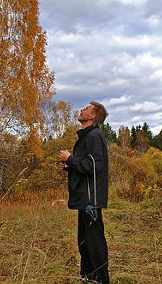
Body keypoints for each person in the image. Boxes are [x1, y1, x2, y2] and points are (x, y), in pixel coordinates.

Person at [59, 101, 109, 283]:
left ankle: (101, 280)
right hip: (85, 200)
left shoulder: (94, 136)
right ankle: (88, 279)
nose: (81, 110)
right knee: (84, 243)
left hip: (91, 201)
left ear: (92, 116)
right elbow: (86, 164)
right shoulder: (86, 137)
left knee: (95, 245)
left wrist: (70, 158)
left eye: (86, 109)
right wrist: (69, 166)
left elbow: (95, 165)